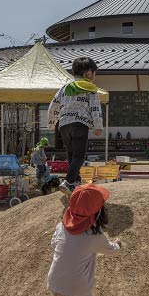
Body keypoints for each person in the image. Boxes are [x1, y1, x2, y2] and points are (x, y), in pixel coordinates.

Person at [46, 184, 122, 296]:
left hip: (54, 283)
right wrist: (119, 245)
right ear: (98, 212)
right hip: (78, 290)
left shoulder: (61, 226)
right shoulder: (94, 234)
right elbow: (111, 250)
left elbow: (53, 245)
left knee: (66, 291)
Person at [48, 57, 104, 196]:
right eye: (94, 73)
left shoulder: (65, 87)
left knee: (71, 155)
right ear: (89, 73)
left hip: (64, 126)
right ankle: (68, 181)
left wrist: (51, 122)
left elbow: (53, 105)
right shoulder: (91, 89)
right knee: (79, 157)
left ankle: (75, 182)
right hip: (80, 125)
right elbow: (95, 108)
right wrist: (98, 127)